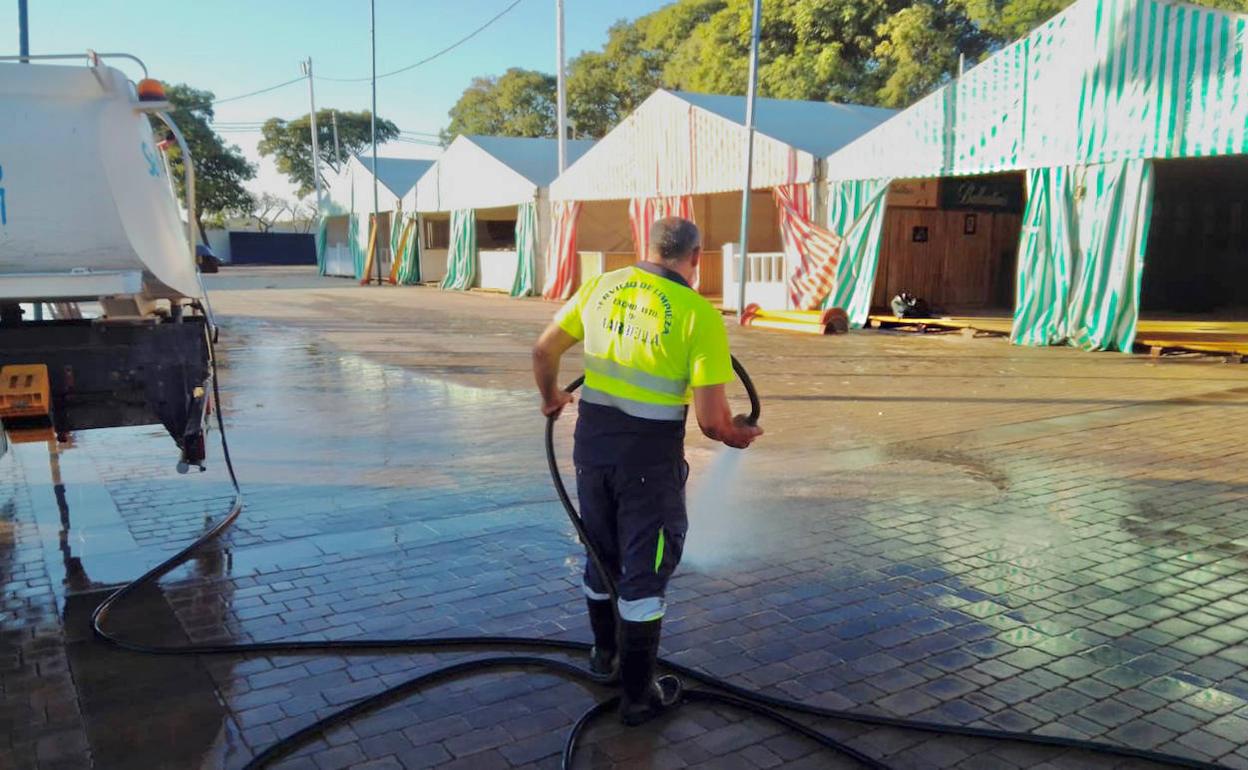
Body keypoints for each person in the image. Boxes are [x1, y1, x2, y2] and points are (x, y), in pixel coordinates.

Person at [532, 216, 763, 725]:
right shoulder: (697, 314)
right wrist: (738, 434)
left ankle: (604, 656)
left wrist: (552, 398)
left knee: (600, 549)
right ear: (696, 258)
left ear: (648, 247)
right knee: (644, 573)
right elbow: (710, 422)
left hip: (591, 454)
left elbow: (543, 349)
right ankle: (638, 696)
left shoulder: (601, 286)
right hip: (648, 469)